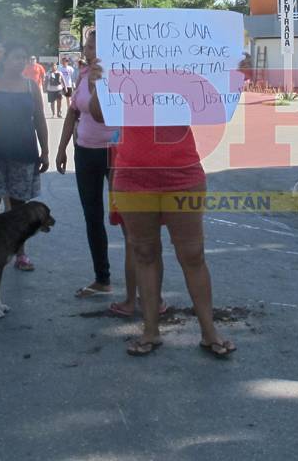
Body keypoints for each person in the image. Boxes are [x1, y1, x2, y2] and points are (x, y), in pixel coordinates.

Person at [86, 60, 235, 358]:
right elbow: (100, 114)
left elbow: (214, 105)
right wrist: (100, 82)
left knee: (192, 255)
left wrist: (231, 71)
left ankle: (209, 331)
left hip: (182, 172)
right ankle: (150, 330)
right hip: (133, 173)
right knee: (144, 252)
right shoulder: (121, 71)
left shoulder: (181, 71)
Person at [0, 43, 49, 271]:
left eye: (24, 58)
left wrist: (45, 151)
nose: (21, 62)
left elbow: (40, 120)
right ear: (4, 60)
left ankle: (20, 254)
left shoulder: (31, 87)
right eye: (16, 57)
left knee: (18, 208)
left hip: (23, 153)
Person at [55, 30, 115, 299]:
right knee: (93, 217)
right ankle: (102, 278)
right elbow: (73, 112)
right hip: (85, 153)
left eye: (92, 48)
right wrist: (61, 148)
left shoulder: (118, 78)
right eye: (87, 47)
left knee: (129, 219)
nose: (87, 52)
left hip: (116, 154)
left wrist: (97, 85)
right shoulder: (81, 75)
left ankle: (143, 285)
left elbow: (102, 116)